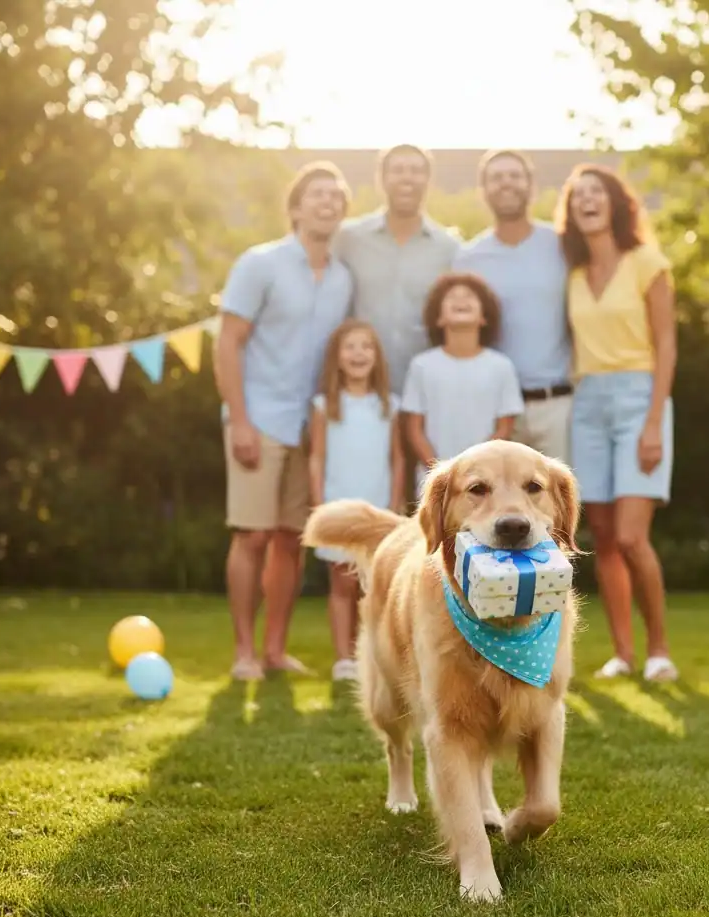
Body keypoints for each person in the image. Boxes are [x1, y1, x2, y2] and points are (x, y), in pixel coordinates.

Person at [214, 161, 353, 682]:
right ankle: (243, 651)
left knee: (292, 538)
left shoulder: (342, 277)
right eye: (317, 195)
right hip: (259, 419)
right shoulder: (261, 263)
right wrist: (241, 422)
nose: (327, 202)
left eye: (336, 196)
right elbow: (228, 342)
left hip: (306, 426)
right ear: (295, 208)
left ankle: (275, 650)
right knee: (251, 535)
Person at [556, 164, 679, 683]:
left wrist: (653, 423)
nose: (587, 200)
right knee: (602, 537)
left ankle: (658, 650)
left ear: (615, 204)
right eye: (577, 194)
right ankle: (623, 654)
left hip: (638, 398)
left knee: (632, 537)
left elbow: (667, 345)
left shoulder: (648, 263)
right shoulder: (575, 275)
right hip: (588, 403)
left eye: (596, 193)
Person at [453, 149, 573, 463]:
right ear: (484, 192)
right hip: (493, 407)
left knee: (560, 508)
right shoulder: (468, 258)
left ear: (531, 187)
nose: (506, 183)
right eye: (496, 177)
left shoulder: (562, 246)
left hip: (556, 405)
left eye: (514, 176)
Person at [308, 319, 404, 682]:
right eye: (350, 347)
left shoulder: (388, 405)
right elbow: (316, 457)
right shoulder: (324, 406)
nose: (359, 353)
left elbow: (397, 459)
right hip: (337, 504)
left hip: (377, 508)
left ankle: (375, 655)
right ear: (337, 358)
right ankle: (343, 658)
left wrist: (394, 504)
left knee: (375, 585)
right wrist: (320, 505)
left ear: (377, 357)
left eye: (366, 346)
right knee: (341, 584)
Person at [334, 144, 460, 394]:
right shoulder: (348, 239)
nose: (407, 177)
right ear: (381, 179)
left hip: (426, 390)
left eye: (415, 170)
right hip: (362, 389)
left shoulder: (450, 248)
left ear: (428, 180)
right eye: (398, 170)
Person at [401, 272, 524, 493]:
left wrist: (474, 469)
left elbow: (504, 428)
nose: (460, 300)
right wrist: (440, 471)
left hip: (486, 482)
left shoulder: (501, 366)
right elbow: (414, 429)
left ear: (484, 317)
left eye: (469, 296)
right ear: (438, 318)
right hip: (433, 482)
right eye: (451, 297)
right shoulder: (422, 365)